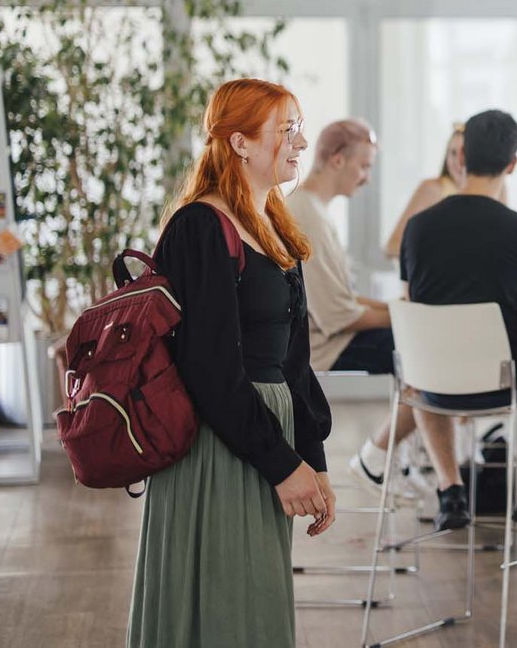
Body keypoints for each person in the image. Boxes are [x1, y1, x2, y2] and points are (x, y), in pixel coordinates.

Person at [127, 78, 333, 648]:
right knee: (220, 599)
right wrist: (281, 465)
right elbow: (211, 370)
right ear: (240, 142)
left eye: (299, 128)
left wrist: (312, 459)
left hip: (264, 436)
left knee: (251, 598)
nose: (299, 141)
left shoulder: (273, 224)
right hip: (218, 444)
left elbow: (295, 361)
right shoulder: (199, 226)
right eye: (286, 129)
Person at [398, 109, 517, 535]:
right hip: (507, 380)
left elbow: (415, 314)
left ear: (460, 156)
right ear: (512, 164)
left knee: (424, 368)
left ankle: (450, 489)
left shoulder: (417, 227)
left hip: (436, 382)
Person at [287, 119, 428, 497]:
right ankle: (377, 458)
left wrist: (401, 310)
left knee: (423, 340)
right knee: (425, 352)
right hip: (321, 346)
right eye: (363, 166)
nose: (366, 178)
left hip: (330, 333)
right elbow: (336, 316)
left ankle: (395, 456)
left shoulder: (314, 209)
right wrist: (409, 315)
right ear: (336, 160)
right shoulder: (305, 215)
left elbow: (343, 299)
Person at [384, 124, 507, 258]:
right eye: (452, 153)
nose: (458, 161)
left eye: (464, 154)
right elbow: (392, 246)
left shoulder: (498, 189)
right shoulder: (431, 189)